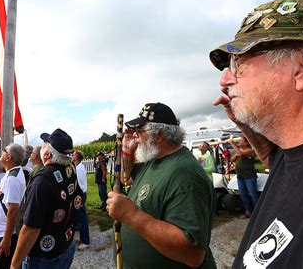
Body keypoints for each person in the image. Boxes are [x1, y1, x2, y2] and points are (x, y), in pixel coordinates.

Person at [210, 0, 303, 268]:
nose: (225, 80)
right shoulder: (296, 151)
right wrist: (246, 125)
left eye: (238, 64)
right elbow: (282, 164)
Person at [106, 103, 216, 268]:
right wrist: (128, 151)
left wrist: (132, 215)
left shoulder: (184, 174)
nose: (135, 136)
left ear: (157, 135)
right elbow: (126, 179)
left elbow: (193, 255)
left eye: (139, 131)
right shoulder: (155, 159)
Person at [11, 128, 81, 268]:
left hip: (44, 258)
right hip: (65, 245)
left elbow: (31, 229)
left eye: (44, 143)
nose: (41, 145)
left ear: (47, 154)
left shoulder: (42, 181)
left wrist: (14, 264)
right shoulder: (71, 169)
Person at [0, 144, 26, 268]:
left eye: (4, 151)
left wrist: (6, 239)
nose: (1, 152)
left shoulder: (12, 179)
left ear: (8, 157)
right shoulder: (11, 173)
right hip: (1, 231)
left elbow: (13, 210)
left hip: (4, 233)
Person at [229, 137, 259, 219]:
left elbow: (242, 154)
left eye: (241, 141)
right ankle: (248, 212)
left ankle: (258, 213)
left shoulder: (251, 150)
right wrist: (235, 155)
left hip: (249, 177)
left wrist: (232, 143)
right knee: (243, 195)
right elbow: (231, 159)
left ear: (246, 143)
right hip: (240, 177)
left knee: (253, 195)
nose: (239, 142)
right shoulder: (238, 152)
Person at [72, 150, 90, 251]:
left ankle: (85, 241)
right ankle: (83, 238)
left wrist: (81, 200)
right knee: (79, 218)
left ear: (77, 157)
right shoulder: (78, 167)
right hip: (80, 194)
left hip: (80, 194)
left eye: (74, 155)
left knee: (82, 219)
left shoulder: (79, 168)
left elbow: (79, 184)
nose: (72, 156)